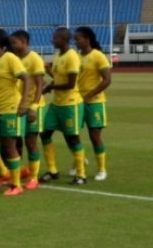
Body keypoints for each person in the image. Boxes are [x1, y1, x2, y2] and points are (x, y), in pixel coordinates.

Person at [0, 27, 31, 196]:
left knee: (9, 144)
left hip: (10, 108)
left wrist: (24, 102)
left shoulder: (10, 58)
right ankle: (5, 173)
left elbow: (26, 79)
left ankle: (16, 184)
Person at [38, 27, 88, 185]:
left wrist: (50, 88)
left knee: (72, 138)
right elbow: (59, 79)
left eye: (55, 38)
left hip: (70, 104)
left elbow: (71, 84)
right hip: (57, 103)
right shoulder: (58, 55)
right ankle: (53, 171)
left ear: (63, 39)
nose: (52, 40)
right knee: (45, 134)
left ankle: (81, 175)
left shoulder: (72, 56)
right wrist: (49, 81)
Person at [9, 30, 47, 190]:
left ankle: (33, 177)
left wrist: (34, 106)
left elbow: (41, 85)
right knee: (16, 141)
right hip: (17, 106)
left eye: (15, 42)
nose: (12, 45)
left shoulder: (34, 59)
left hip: (33, 106)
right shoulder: (14, 58)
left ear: (24, 42)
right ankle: (20, 173)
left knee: (31, 142)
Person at [74, 26, 112, 181]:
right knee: (72, 133)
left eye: (78, 39)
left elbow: (107, 80)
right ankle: (80, 160)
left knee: (94, 136)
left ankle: (102, 169)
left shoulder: (98, 56)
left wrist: (90, 95)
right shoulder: (76, 56)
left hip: (95, 101)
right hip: (77, 101)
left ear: (87, 39)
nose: (75, 42)